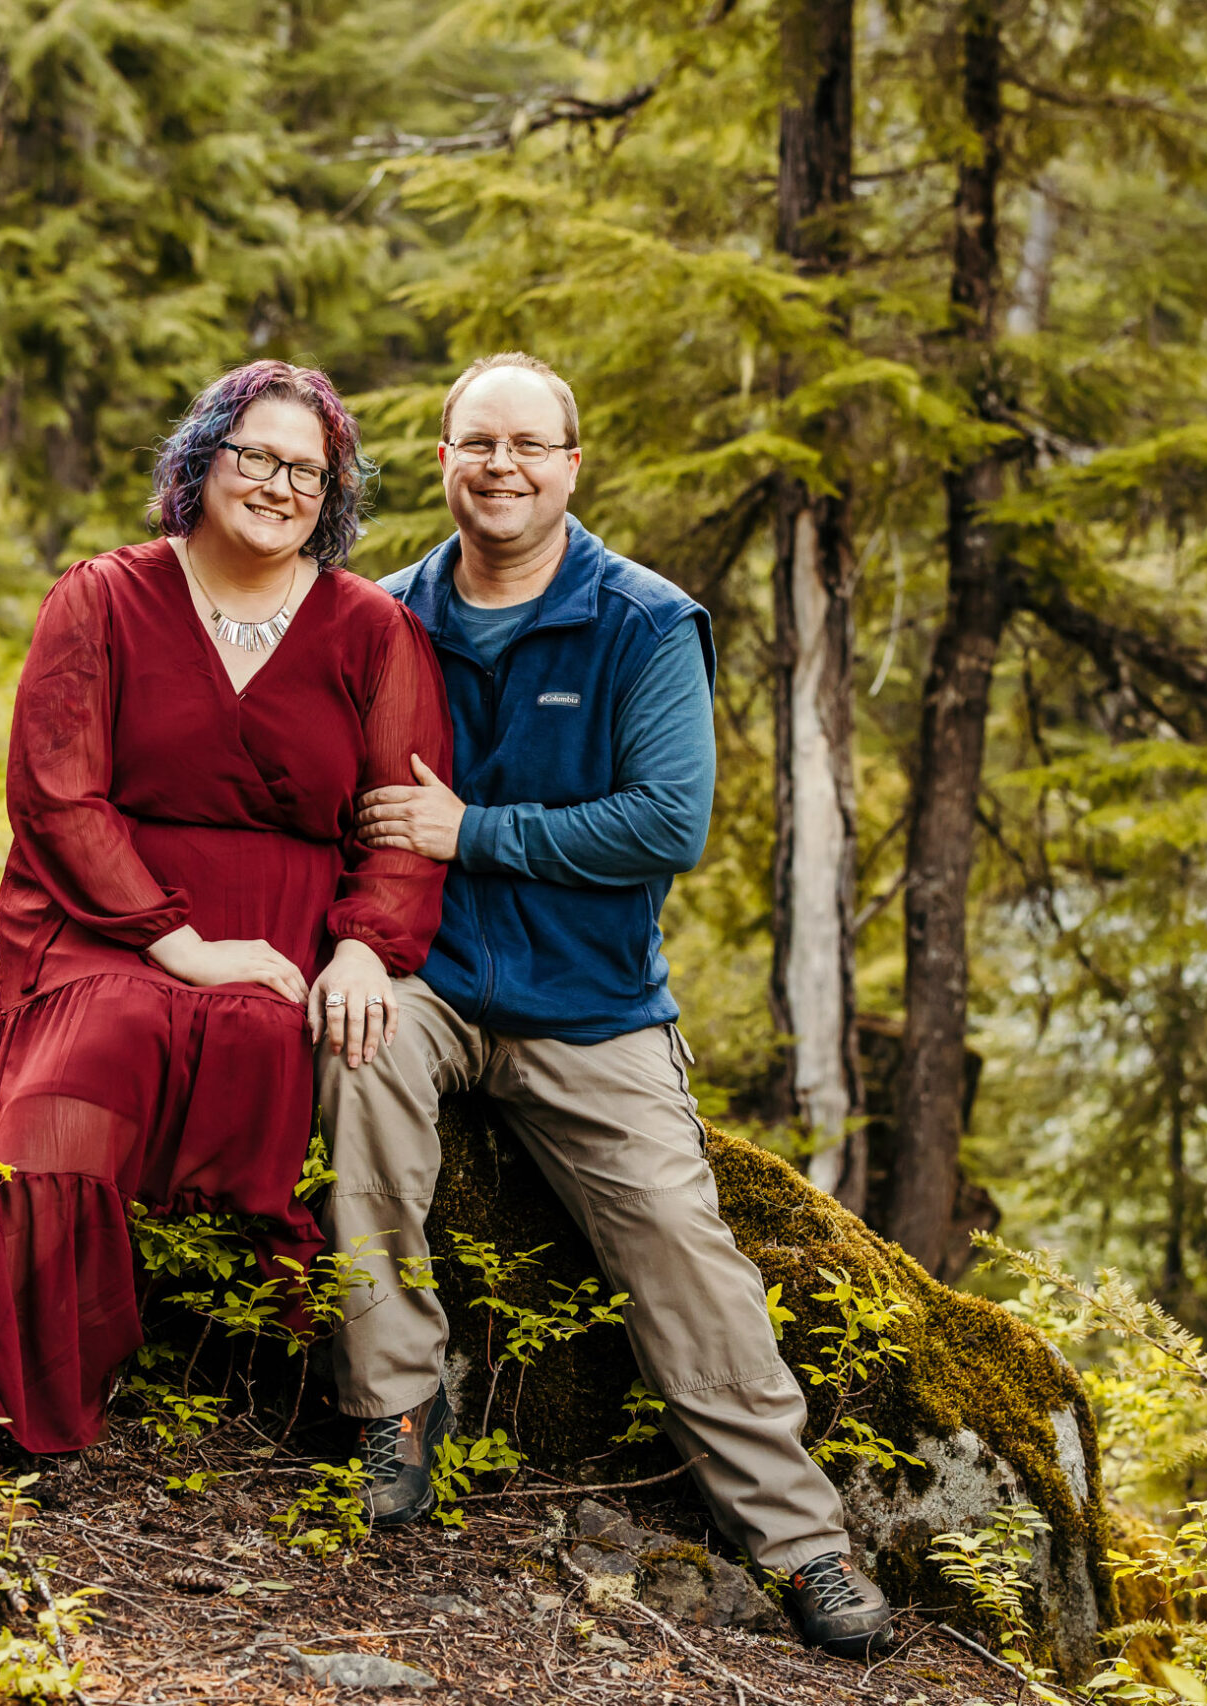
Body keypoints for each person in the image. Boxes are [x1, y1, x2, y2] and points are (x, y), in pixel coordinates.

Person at [322, 352, 892, 1658]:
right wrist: (351, 946)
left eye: (529, 444)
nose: (502, 466)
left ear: (573, 465)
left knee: (680, 1241)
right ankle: (397, 1414)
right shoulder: (386, 616)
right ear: (446, 460)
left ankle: (804, 1542)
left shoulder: (644, 622)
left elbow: (667, 823)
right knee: (356, 1071)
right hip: (432, 980)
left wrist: (474, 830)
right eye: (479, 443)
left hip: (593, 1006)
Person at [0, 361, 452, 1458]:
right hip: (108, 910)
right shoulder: (102, 595)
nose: (279, 484)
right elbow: (55, 790)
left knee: (258, 1037)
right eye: (255, 455)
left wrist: (364, 950)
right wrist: (178, 943)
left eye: (308, 469)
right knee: (82, 1068)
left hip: (284, 929)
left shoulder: (371, 628)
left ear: (332, 495)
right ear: (202, 460)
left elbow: (400, 819)